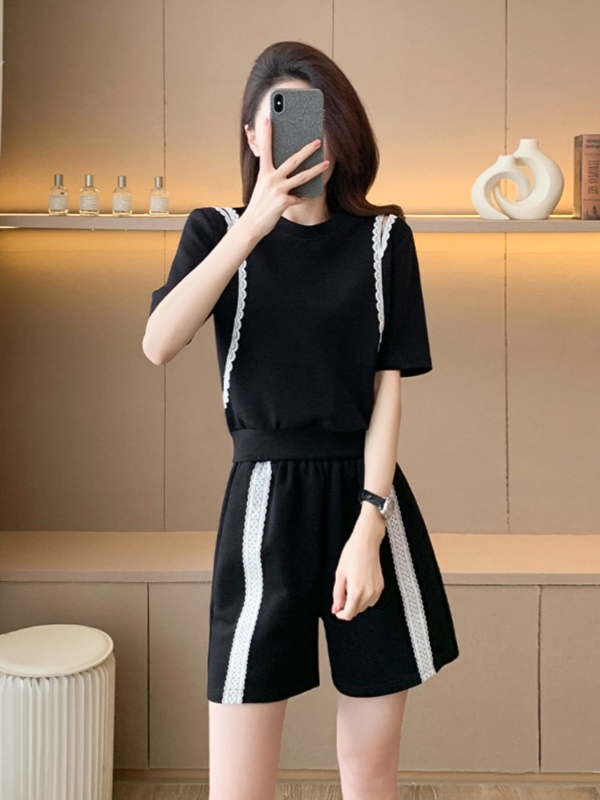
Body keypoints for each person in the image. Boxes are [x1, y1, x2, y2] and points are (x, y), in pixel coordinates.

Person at [143, 40, 459, 800]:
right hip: (262, 507)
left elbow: (388, 393)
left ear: (341, 134)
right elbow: (158, 343)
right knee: (239, 786)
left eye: (320, 121)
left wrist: (370, 528)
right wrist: (252, 228)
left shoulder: (384, 239)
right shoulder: (215, 231)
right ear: (253, 136)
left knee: (370, 774)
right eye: (280, 121)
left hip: (366, 503)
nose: (301, 139)